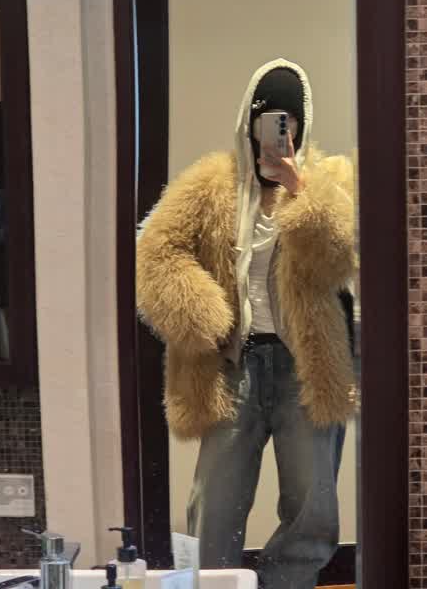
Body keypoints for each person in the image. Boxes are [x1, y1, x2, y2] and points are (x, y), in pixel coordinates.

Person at [136, 58, 358, 589]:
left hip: (308, 368)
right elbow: (156, 251)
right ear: (250, 121)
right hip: (232, 363)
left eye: (290, 121)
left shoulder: (331, 181)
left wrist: (299, 188)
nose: (281, 132)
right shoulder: (209, 184)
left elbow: (341, 258)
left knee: (313, 507)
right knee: (215, 502)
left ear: (302, 122)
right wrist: (202, 315)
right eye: (270, 120)